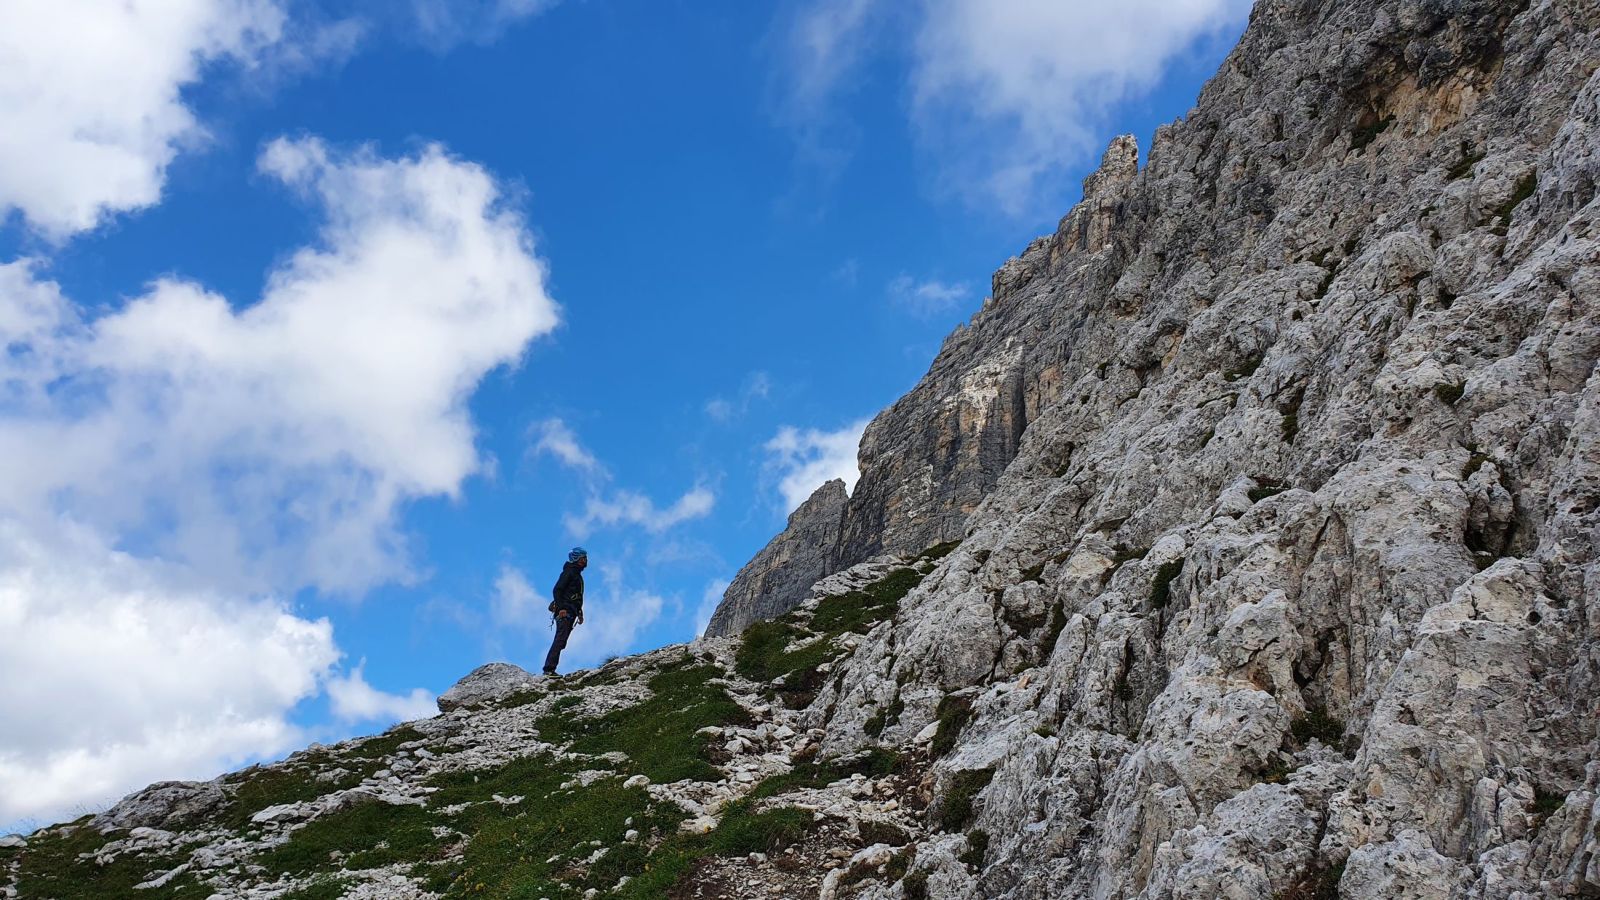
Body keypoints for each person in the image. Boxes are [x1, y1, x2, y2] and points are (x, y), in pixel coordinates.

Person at [543, 547, 587, 676]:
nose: (586, 561)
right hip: (565, 611)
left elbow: (575, 595)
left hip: (571, 610)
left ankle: (550, 668)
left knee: (561, 641)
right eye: (583, 558)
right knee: (560, 640)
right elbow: (557, 590)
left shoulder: (576, 574)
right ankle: (549, 669)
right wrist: (561, 608)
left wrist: (579, 611)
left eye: (585, 558)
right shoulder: (569, 572)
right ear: (577, 559)